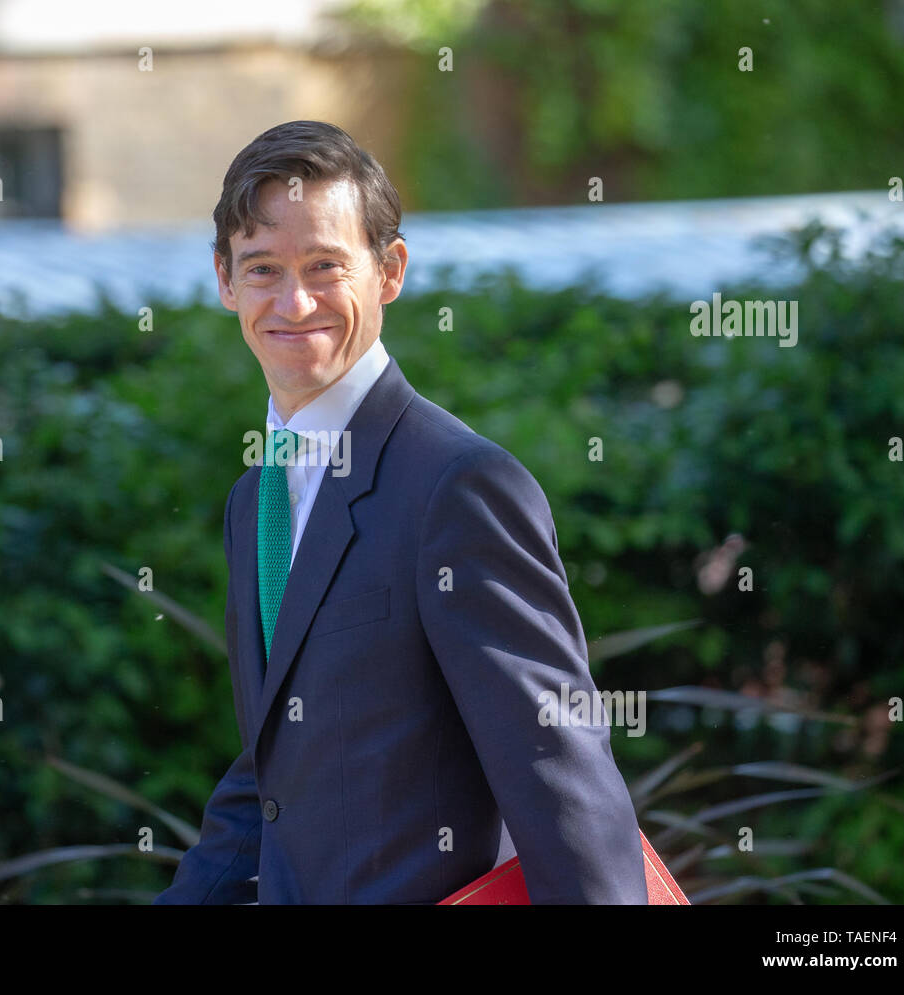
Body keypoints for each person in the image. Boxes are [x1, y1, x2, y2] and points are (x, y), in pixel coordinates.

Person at [154, 120, 647, 904]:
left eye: (326, 265)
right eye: (263, 269)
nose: (296, 300)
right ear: (224, 281)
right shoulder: (256, 498)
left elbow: (560, 777)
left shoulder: (459, 486)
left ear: (389, 271)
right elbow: (277, 773)